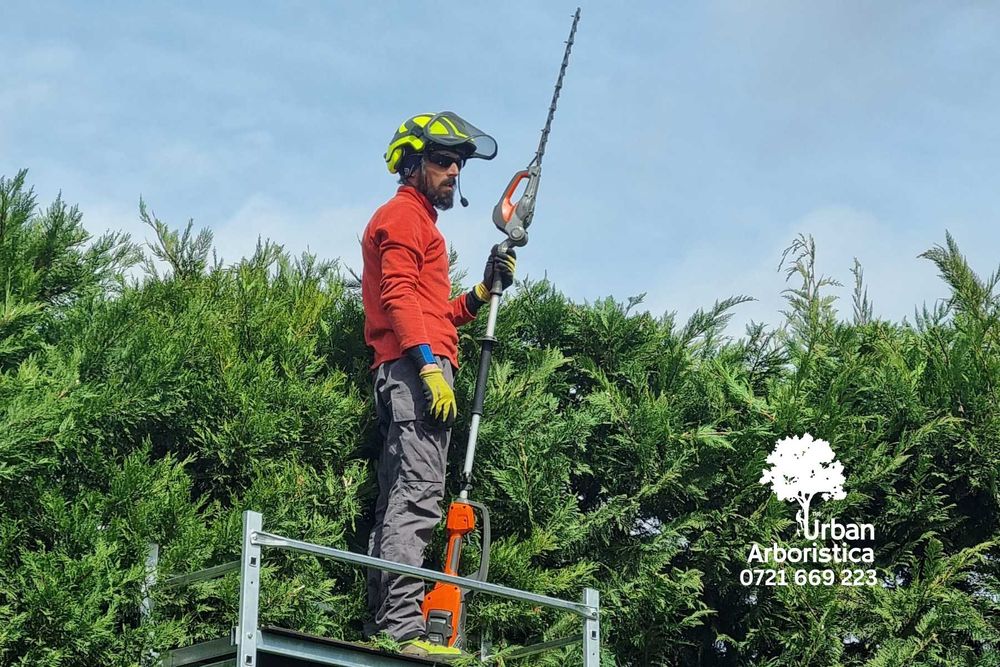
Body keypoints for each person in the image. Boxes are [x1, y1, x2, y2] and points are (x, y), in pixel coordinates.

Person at [360, 112, 516, 659]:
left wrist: (479, 292)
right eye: (442, 160)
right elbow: (400, 298)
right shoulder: (403, 218)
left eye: (458, 164)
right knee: (418, 499)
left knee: (398, 499)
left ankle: (385, 623)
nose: (453, 171)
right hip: (413, 372)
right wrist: (428, 366)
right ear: (411, 164)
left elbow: (434, 311)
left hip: (410, 366)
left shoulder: (421, 224)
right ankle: (403, 631)